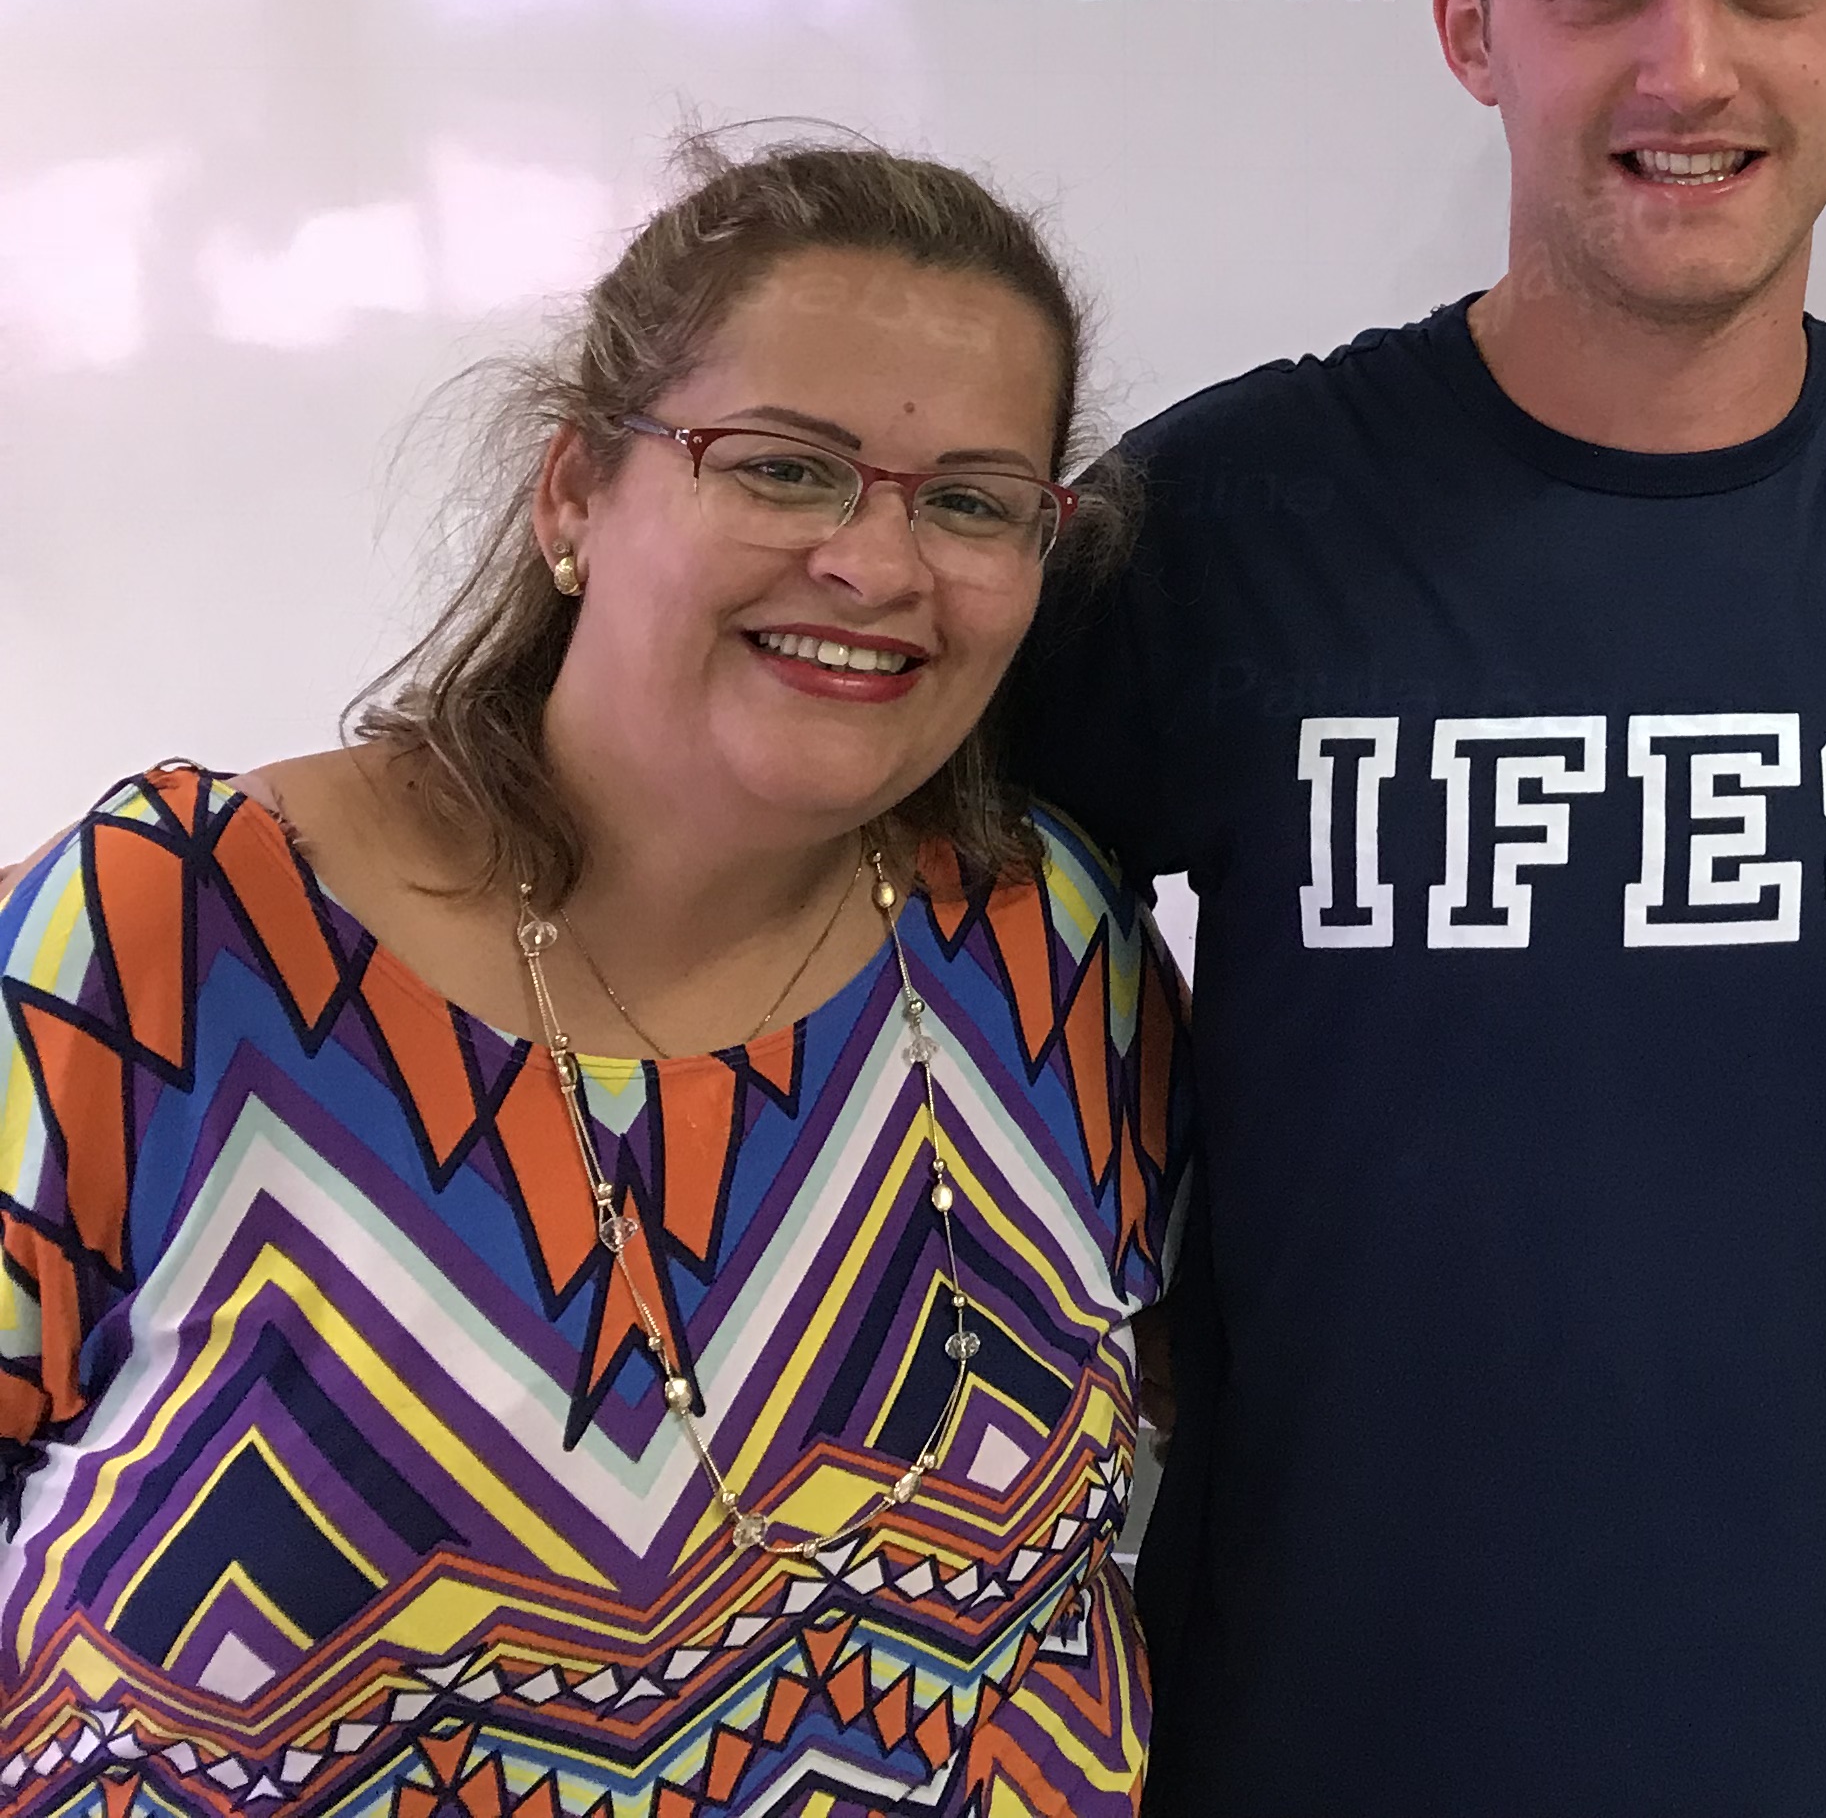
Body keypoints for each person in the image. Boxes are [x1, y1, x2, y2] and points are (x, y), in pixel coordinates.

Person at [1001, 0, 1826, 1818]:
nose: (1688, 62)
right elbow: (888, 963)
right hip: (1330, 1743)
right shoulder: (1215, 528)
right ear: (1470, 27)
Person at [0, 136, 1185, 1818]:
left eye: (974, 502)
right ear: (573, 493)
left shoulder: (1048, 942)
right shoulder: (170, 941)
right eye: (785, 467)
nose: (877, 564)